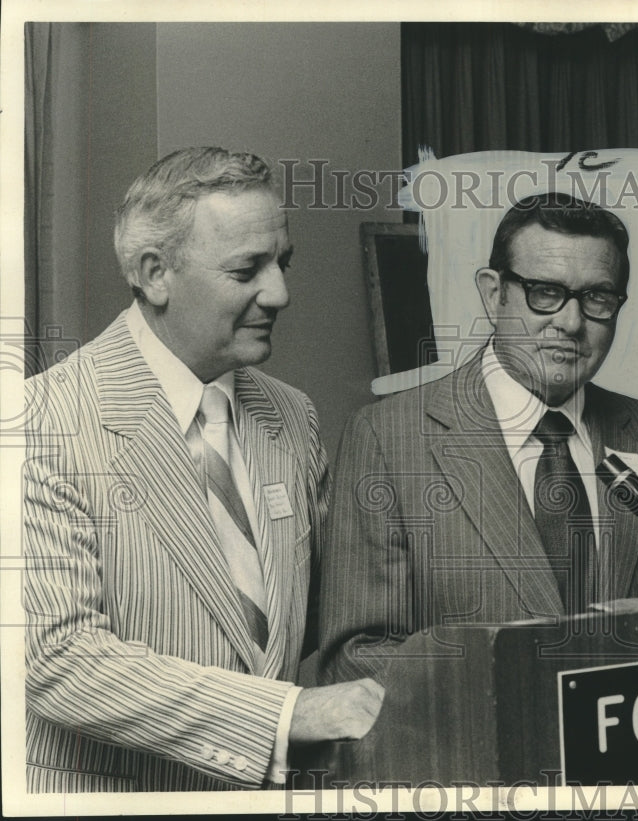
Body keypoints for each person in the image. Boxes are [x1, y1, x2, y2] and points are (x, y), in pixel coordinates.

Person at [22, 147, 383, 792]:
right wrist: (286, 713)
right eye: (248, 270)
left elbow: (323, 622)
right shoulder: (41, 422)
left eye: (283, 263)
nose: (280, 293)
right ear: (155, 275)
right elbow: (58, 662)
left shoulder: (291, 417)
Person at [319, 193, 638, 684]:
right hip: (475, 753)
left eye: (597, 298)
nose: (570, 323)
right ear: (492, 292)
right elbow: (357, 657)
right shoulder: (388, 437)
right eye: (544, 292)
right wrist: (518, 705)